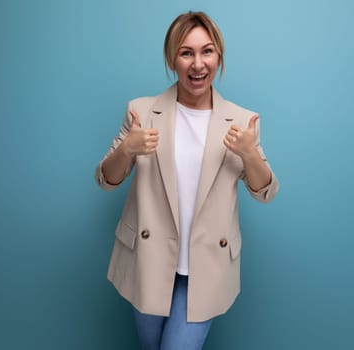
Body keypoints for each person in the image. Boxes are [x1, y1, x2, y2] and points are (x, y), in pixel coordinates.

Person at [95, 11, 279, 350]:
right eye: (186, 53)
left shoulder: (242, 120)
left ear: (219, 56)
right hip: (149, 262)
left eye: (207, 51)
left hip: (205, 268)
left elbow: (265, 191)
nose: (198, 64)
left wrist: (250, 154)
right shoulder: (142, 111)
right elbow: (106, 179)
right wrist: (127, 149)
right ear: (172, 59)